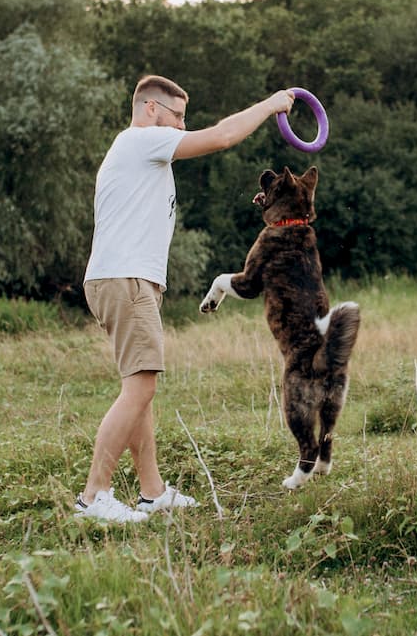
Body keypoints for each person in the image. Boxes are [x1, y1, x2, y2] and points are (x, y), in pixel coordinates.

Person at [75, 75, 294, 522]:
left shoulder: (140, 152)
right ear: (152, 109)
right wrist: (271, 104)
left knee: (140, 389)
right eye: (178, 116)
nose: (181, 126)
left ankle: (152, 492)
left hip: (129, 279)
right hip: (125, 279)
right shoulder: (143, 140)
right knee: (141, 386)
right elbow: (223, 136)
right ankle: (93, 497)